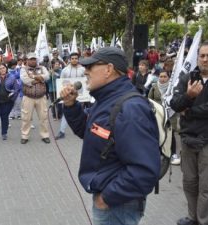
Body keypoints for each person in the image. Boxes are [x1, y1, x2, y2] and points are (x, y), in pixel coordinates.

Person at [61, 47, 160, 225]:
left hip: (117, 205)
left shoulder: (131, 109)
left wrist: (107, 197)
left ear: (108, 69)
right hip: (111, 200)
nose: (85, 71)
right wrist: (71, 106)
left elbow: (144, 170)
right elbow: (89, 130)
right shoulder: (106, 100)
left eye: (90, 66)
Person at [170, 41, 208, 225]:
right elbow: (175, 103)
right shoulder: (187, 77)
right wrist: (189, 97)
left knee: (206, 186)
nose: (205, 59)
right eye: (202, 55)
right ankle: (192, 217)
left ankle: (205, 220)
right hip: (187, 139)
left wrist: (190, 110)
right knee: (190, 183)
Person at [148, 70, 180, 165]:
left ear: (169, 78)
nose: (162, 79)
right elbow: (150, 99)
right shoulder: (154, 87)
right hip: (158, 114)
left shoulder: (173, 88)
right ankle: (159, 152)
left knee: (171, 133)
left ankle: (173, 153)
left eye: (164, 76)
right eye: (161, 76)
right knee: (158, 133)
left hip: (170, 114)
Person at [20, 52, 50, 144]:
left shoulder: (42, 68)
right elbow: (25, 80)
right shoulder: (23, 69)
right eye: (31, 59)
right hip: (28, 97)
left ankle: (45, 135)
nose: (33, 61)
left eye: (34, 59)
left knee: (44, 117)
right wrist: (40, 79)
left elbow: (47, 76)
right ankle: (25, 136)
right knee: (26, 118)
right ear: (27, 60)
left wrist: (33, 77)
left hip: (41, 97)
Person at [56, 52, 86, 140]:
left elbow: (85, 81)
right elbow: (61, 82)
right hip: (69, 97)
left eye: (76, 58)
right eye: (72, 58)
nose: (74, 60)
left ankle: (83, 130)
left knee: (81, 112)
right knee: (67, 112)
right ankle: (62, 131)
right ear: (70, 59)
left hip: (81, 96)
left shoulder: (83, 70)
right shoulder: (65, 70)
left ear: (78, 59)